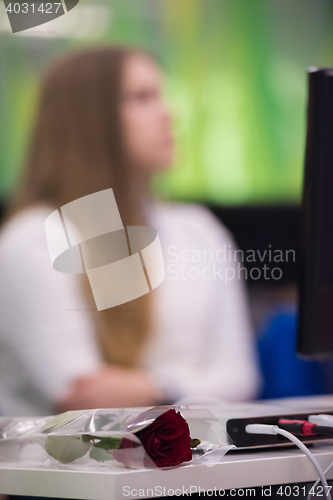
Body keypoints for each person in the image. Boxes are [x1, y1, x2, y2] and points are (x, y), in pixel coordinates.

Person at [0, 45, 262, 417]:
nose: (169, 113)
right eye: (142, 98)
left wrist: (157, 387)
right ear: (87, 118)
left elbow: (240, 379)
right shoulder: (31, 240)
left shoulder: (199, 230)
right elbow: (82, 396)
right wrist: (192, 388)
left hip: (195, 466)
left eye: (161, 95)